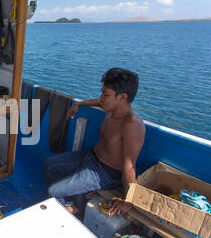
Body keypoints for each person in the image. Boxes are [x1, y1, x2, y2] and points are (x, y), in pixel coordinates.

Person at [44, 67, 146, 217]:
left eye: (105, 94)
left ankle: (72, 211)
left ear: (122, 97)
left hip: (105, 173)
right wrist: (78, 104)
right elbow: (98, 102)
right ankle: (71, 203)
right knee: (49, 165)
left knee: (54, 191)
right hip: (90, 157)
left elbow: (129, 166)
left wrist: (128, 201)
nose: (101, 98)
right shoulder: (111, 108)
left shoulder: (132, 125)